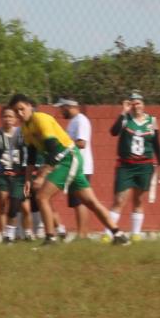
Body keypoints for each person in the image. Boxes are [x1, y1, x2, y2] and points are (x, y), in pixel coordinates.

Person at [10, 94, 125, 245]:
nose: (19, 114)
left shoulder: (40, 119)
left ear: (29, 106)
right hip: (67, 157)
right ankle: (119, 235)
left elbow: (53, 150)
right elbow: (31, 155)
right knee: (90, 202)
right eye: (16, 111)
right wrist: (27, 180)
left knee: (42, 197)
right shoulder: (25, 127)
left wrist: (41, 176)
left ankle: (50, 238)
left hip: (67, 157)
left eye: (21, 109)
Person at [109, 91, 160, 241]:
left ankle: (136, 234)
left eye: (138, 103)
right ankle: (109, 233)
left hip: (145, 165)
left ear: (143, 104)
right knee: (119, 199)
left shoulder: (152, 121)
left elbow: (157, 145)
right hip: (126, 165)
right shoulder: (126, 119)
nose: (135, 106)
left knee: (138, 200)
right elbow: (113, 132)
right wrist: (122, 112)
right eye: (132, 103)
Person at [0, 106, 33, 243]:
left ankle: (28, 234)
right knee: (3, 207)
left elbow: (32, 151)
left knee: (25, 207)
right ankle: (5, 236)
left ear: (16, 119)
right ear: (1, 118)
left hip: (19, 175)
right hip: (2, 175)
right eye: (5, 116)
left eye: (10, 116)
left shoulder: (22, 134)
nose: (7, 119)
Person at [57, 98, 95, 240]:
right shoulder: (74, 121)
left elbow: (81, 143)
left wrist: (63, 144)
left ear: (69, 106)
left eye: (62, 108)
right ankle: (82, 234)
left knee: (80, 202)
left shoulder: (81, 121)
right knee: (77, 202)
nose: (60, 111)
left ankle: (82, 234)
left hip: (81, 167)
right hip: (74, 167)